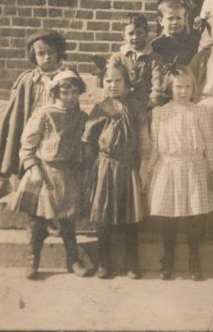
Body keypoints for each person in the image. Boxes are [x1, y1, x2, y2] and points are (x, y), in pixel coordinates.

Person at [11, 69, 90, 279]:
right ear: (56, 92)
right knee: (37, 221)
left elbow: (86, 142)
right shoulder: (44, 114)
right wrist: (33, 168)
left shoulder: (81, 117)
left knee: (67, 221)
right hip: (44, 173)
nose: (70, 97)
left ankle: (73, 259)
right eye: (65, 92)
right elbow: (27, 145)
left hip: (67, 173)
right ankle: (33, 260)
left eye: (74, 92)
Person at [148, 66, 213, 281]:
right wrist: (149, 170)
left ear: (193, 88)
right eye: (178, 87)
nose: (183, 91)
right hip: (168, 167)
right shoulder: (160, 113)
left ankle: (194, 258)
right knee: (168, 217)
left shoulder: (200, 111)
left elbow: (210, 143)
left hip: (194, 167)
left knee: (195, 216)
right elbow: (155, 146)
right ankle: (168, 258)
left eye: (188, 87)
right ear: (169, 88)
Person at [83, 58, 150, 279]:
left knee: (130, 215)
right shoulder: (101, 108)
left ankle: (132, 262)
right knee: (103, 216)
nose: (113, 85)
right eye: (108, 81)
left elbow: (143, 140)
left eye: (118, 80)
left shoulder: (137, 107)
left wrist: (142, 168)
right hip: (105, 166)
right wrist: (95, 166)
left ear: (127, 82)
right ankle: (104, 262)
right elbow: (88, 140)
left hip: (128, 166)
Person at [0, 30, 72, 177]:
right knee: (29, 177)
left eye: (51, 52)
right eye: (41, 53)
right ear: (33, 56)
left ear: (58, 53)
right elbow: (17, 116)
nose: (47, 57)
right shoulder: (28, 80)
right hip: (31, 134)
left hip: (56, 135)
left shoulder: (67, 77)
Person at [112, 13, 167, 109]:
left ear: (146, 33)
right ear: (123, 35)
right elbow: (111, 80)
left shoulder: (154, 58)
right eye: (131, 33)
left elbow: (158, 84)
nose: (135, 37)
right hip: (123, 104)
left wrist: (152, 103)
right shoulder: (117, 58)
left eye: (139, 33)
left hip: (145, 104)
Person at [150, 0, 201, 67]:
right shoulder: (155, 45)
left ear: (184, 20)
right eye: (170, 18)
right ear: (160, 21)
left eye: (178, 18)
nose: (175, 22)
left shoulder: (191, 43)